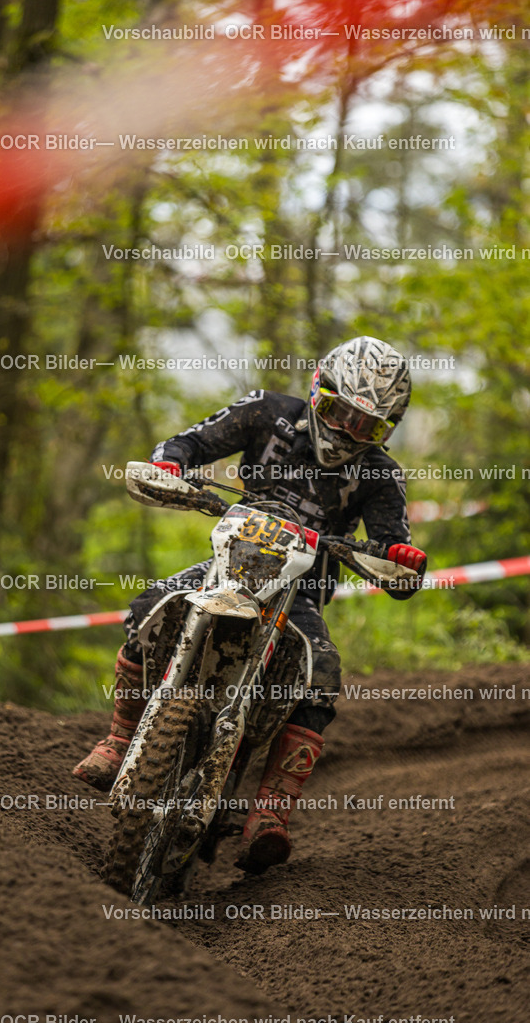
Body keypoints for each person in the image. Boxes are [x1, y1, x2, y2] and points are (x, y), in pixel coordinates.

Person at [73, 336, 427, 874]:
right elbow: (189, 443)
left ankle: (271, 812)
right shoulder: (266, 413)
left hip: (300, 591)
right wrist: (171, 464)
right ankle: (121, 739)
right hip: (230, 564)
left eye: (368, 427)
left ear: (385, 432)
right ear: (319, 392)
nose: (348, 432)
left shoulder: (381, 475)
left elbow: (393, 547)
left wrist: (399, 559)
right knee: (151, 607)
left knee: (321, 672)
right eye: (341, 414)